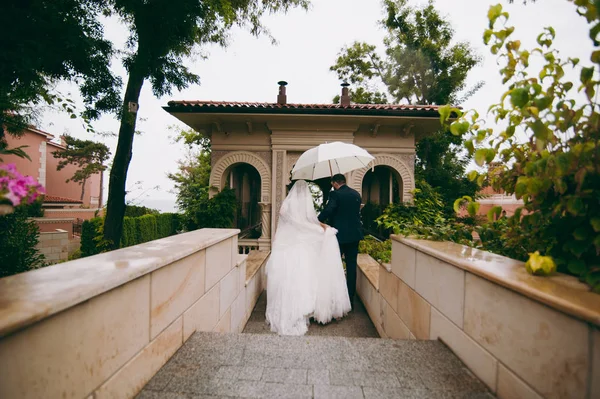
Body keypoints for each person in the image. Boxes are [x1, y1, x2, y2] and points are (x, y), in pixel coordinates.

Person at [265, 180, 351, 336]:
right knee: (306, 275)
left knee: (289, 276)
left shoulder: (286, 204)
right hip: (301, 244)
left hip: (287, 245)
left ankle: (290, 307)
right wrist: (322, 227)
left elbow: (289, 220)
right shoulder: (306, 203)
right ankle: (308, 307)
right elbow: (308, 221)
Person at [318, 173, 364, 309]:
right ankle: (350, 297)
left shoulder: (335, 194)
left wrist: (318, 220)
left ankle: (337, 297)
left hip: (339, 235)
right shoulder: (356, 194)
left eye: (332, 184)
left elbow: (329, 210)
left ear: (335, 183)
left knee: (335, 265)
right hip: (355, 234)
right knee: (351, 265)